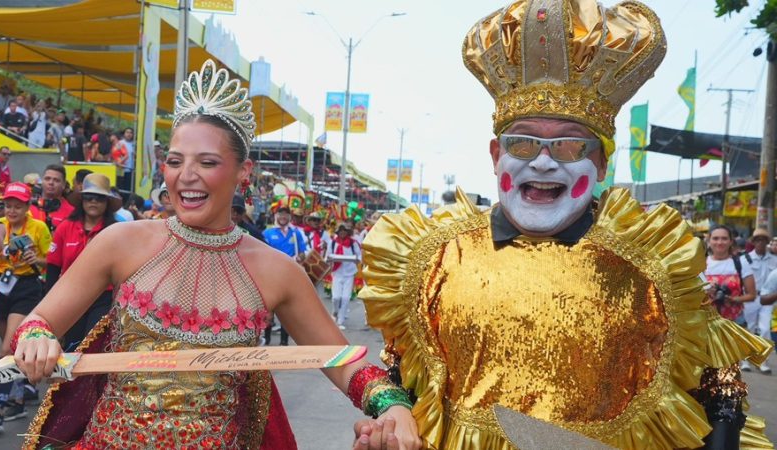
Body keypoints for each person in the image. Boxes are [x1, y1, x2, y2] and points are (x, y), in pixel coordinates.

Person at [358, 2, 773, 449]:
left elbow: (719, 386)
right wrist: (387, 418)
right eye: (523, 143)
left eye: (569, 146)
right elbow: (402, 375)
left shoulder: (653, 267)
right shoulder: (433, 258)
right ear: (497, 156)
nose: (543, 161)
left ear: (601, 163)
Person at [12, 59, 419, 450]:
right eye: (175, 161)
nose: (186, 176)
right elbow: (39, 321)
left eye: (207, 162)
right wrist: (36, 339)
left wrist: (392, 405)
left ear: (244, 171)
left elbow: (344, 361)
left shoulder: (277, 272)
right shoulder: (121, 242)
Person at [0, 182, 51, 427]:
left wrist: (36, 258)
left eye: (18, 206)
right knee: (13, 347)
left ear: (27, 207)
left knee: (5, 350)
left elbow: (51, 259)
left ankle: (1, 406)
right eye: (8, 206)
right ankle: (22, 392)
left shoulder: (38, 227)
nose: (12, 211)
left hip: (26, 287)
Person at [46, 174, 119, 349]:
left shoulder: (116, 231)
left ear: (107, 203)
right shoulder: (65, 228)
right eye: (89, 197)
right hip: (70, 296)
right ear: (82, 201)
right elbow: (53, 267)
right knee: (72, 345)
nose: (93, 201)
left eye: (99, 198)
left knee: (93, 345)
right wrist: (48, 305)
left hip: (103, 298)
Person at [262, 207, 306, 346]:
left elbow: (303, 252)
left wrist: (300, 257)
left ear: (289, 217)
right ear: (276, 216)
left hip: (289, 276)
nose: (283, 217)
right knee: (270, 307)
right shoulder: (267, 233)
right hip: (271, 276)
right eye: (281, 214)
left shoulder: (296, 233)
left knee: (287, 309)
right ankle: (267, 339)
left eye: (286, 215)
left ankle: (284, 341)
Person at [741, 228, 776, 374]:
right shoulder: (745, 259)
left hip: (767, 299)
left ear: (767, 242)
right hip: (750, 298)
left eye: (763, 240)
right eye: (757, 240)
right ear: (753, 242)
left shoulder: (774, 260)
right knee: (749, 329)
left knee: (765, 329)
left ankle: (762, 361)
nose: (760, 242)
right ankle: (745, 360)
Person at [329, 224, 361, 330]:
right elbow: (328, 256)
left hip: (349, 273)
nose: (342, 232)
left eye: (344, 231)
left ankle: (340, 321)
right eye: (340, 230)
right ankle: (335, 312)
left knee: (346, 298)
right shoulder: (333, 242)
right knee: (336, 297)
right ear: (338, 232)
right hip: (337, 273)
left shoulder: (352, 243)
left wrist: (356, 260)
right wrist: (330, 259)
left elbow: (359, 256)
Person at [31, 164, 75, 232]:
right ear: (42, 181)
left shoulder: (71, 213)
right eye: (47, 179)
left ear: (63, 185)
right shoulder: (29, 207)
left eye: (56, 180)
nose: (51, 183)